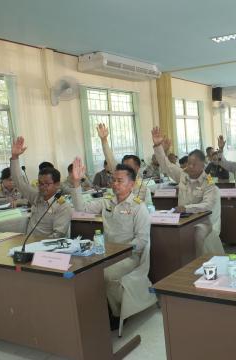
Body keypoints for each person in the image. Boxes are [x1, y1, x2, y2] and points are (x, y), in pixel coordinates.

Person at [69, 158, 157, 329]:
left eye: (120, 181)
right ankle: (92, 312)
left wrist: (119, 252)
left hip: (130, 257)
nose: (115, 184)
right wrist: (76, 183)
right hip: (106, 253)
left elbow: (142, 240)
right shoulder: (107, 202)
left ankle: (116, 314)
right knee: (81, 270)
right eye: (113, 180)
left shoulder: (139, 208)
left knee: (105, 274)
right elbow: (81, 209)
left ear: (131, 184)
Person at [151, 127, 225, 256]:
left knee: (198, 234)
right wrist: (158, 146)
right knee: (163, 232)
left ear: (203, 166)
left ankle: (199, 264)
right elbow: (166, 165)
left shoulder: (209, 183)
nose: (190, 167)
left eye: (194, 164)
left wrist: (186, 208)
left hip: (203, 222)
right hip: (182, 218)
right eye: (189, 163)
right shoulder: (183, 175)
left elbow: (206, 205)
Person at [10, 137, 72, 238]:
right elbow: (19, 182)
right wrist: (15, 157)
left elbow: (57, 236)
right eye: (40, 183)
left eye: (47, 184)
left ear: (57, 185)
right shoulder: (36, 196)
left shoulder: (63, 207)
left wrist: (36, 246)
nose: (42, 187)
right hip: (27, 244)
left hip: (45, 249)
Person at [96, 124, 152, 204]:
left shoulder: (144, 190)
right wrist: (104, 140)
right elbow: (110, 159)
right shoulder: (120, 175)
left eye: (129, 166)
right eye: (124, 166)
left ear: (137, 168)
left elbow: (149, 210)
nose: (125, 169)